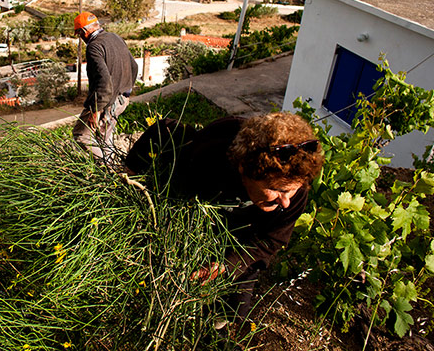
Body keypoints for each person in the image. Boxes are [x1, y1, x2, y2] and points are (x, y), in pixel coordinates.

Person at [124, 112, 324, 322]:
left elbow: (271, 239)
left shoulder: (295, 188)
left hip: (243, 237)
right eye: (276, 190)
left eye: (290, 191)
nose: (285, 202)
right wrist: (130, 173)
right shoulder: (209, 154)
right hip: (199, 215)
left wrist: (227, 264)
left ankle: (214, 329)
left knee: (235, 311)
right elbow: (164, 129)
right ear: (244, 170)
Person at [72, 11, 138, 163]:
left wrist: (96, 110)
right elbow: (133, 66)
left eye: (79, 34)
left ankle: (109, 171)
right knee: (104, 137)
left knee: (82, 135)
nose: (80, 38)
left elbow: (103, 82)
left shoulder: (94, 47)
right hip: (120, 100)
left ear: (84, 31)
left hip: (106, 102)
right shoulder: (114, 37)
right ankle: (112, 168)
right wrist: (126, 93)